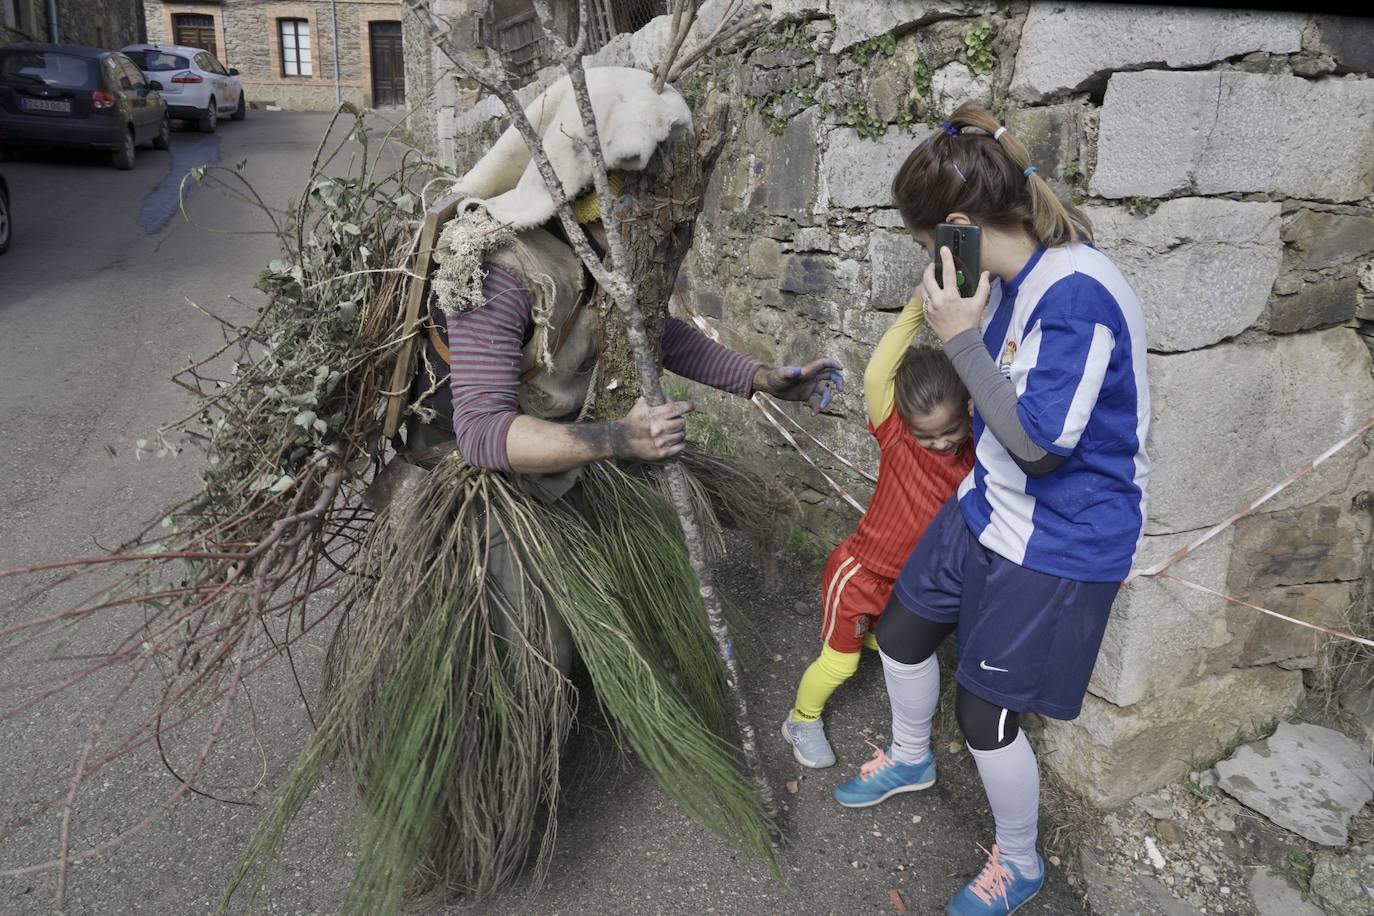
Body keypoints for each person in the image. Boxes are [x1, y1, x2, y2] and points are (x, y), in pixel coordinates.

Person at [328, 66, 844, 902]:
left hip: (560, 465)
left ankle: (567, 733)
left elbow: (652, 329)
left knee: (601, 617)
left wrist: (758, 377)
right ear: (582, 171)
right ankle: (466, 820)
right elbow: (487, 434)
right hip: (479, 488)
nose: (654, 200)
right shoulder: (497, 268)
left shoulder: (595, 248)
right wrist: (619, 438)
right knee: (518, 656)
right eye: (640, 180)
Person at [832, 102, 1150, 916]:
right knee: (900, 634)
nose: (926, 256)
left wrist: (960, 336)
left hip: (1058, 541)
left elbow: (1044, 449)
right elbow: (995, 404)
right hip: (986, 506)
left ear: (960, 225)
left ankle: (1021, 863)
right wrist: (964, 323)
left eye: (924, 239)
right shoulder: (1008, 280)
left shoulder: (1077, 295)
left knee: (985, 713)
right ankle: (911, 758)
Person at [781, 296, 973, 769]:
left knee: (893, 644)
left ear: (970, 409)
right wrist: (917, 307)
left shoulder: (976, 451)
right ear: (907, 427)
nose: (941, 443)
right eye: (928, 436)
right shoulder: (897, 436)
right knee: (839, 662)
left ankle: (869, 639)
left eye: (950, 430)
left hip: (911, 583)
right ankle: (801, 719)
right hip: (862, 573)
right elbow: (877, 373)